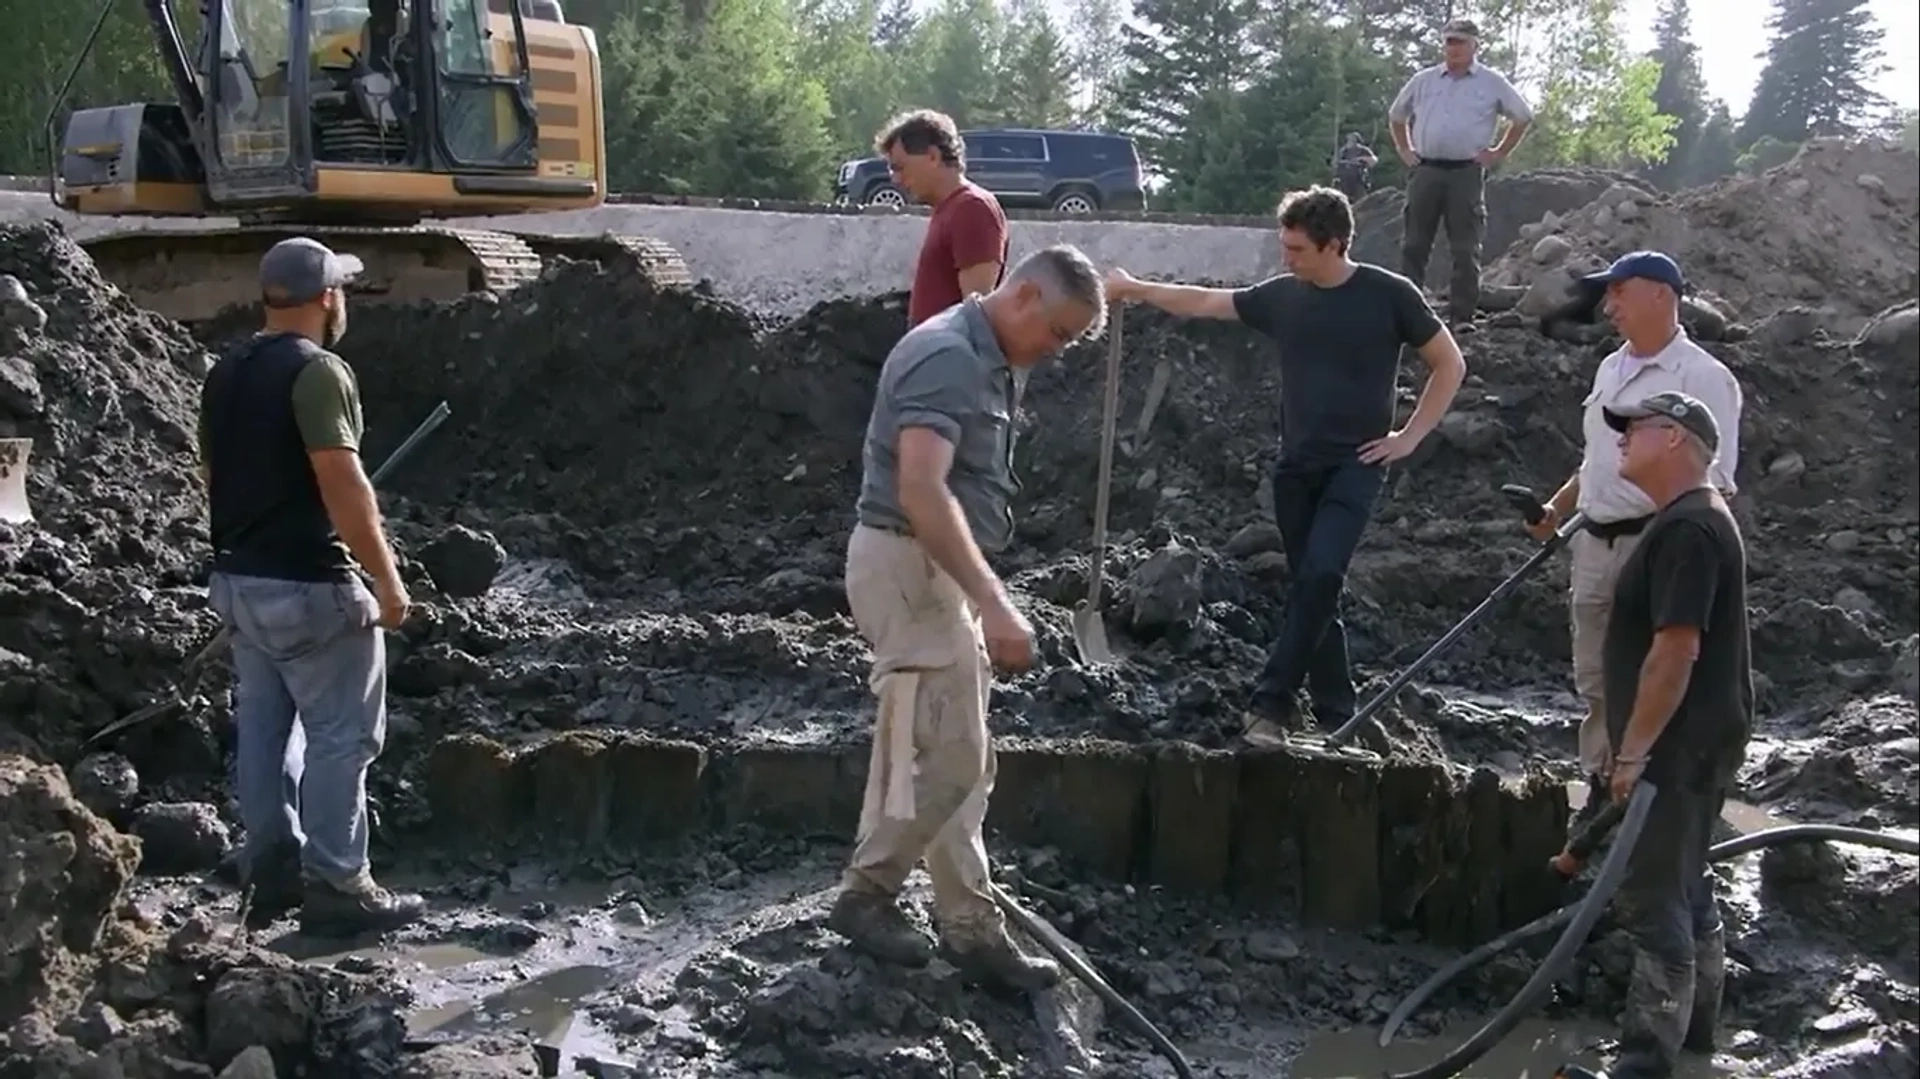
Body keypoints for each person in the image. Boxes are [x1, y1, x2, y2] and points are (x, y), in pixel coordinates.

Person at [828, 245, 1106, 991]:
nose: (1056, 352)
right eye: (1059, 334)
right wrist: (994, 600)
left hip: (933, 571)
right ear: (1023, 299)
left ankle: (971, 929)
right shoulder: (948, 356)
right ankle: (867, 893)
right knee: (949, 758)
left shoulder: (988, 359)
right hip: (908, 565)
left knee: (966, 760)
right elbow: (921, 490)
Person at [1104, 187, 1467, 750]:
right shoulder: (1283, 297)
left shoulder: (1388, 295)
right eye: (1285, 246)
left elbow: (1449, 363)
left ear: (1335, 244)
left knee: (1322, 576)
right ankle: (1338, 714)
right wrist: (1133, 288)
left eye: (1297, 249)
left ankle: (1269, 704)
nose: (1286, 258)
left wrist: (1409, 437)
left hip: (1357, 465)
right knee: (1311, 590)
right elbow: (1204, 302)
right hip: (1295, 470)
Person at [197, 236, 424, 936]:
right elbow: (342, 481)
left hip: (241, 583)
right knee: (340, 737)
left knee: (265, 734)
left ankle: (270, 871)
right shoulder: (320, 371)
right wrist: (386, 581)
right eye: (342, 290)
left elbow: (212, 476)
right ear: (328, 297)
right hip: (310, 589)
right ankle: (337, 881)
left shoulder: (226, 371)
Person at [1525, 252, 1742, 832]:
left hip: (1657, 545)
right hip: (1595, 544)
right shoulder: (1611, 370)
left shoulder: (1703, 378)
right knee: (1597, 677)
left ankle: (1657, 795)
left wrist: (1676, 547)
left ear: (1661, 295)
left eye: (1619, 293)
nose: (1609, 306)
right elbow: (1598, 459)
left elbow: (1710, 479)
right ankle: (1603, 788)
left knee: (1649, 669)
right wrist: (1557, 508)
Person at [1577, 389, 1753, 1079]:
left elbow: (1675, 649)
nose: (1620, 440)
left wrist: (1634, 750)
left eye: (1635, 429)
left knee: (1654, 900)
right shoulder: (1691, 520)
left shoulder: (1687, 530)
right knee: (1688, 884)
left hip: (1675, 745)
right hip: (1700, 738)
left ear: (1676, 439)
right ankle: (1699, 1037)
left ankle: (1645, 1062)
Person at [1386, 18, 1533, 328]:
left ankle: (1461, 317)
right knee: (1414, 244)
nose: (1452, 48)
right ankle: (1407, 314)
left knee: (1465, 248)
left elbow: (1522, 116)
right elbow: (1397, 115)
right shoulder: (1424, 80)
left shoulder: (1491, 82)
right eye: (1449, 41)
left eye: (1460, 42)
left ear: (1475, 46)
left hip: (1465, 174)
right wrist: (1405, 150)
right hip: (1425, 170)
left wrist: (1499, 153)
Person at [874, 109, 1011, 329]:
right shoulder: (950, 208)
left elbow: (975, 316)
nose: (896, 180)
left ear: (932, 156)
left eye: (900, 167)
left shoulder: (972, 208)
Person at [1332, 132, 1378, 202]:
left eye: (1353, 140)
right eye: (1349, 140)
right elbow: (1335, 163)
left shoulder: (1363, 150)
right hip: (1344, 181)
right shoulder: (1344, 151)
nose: (1350, 142)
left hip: (1358, 180)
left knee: (1362, 201)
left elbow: (1374, 160)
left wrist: (1361, 159)